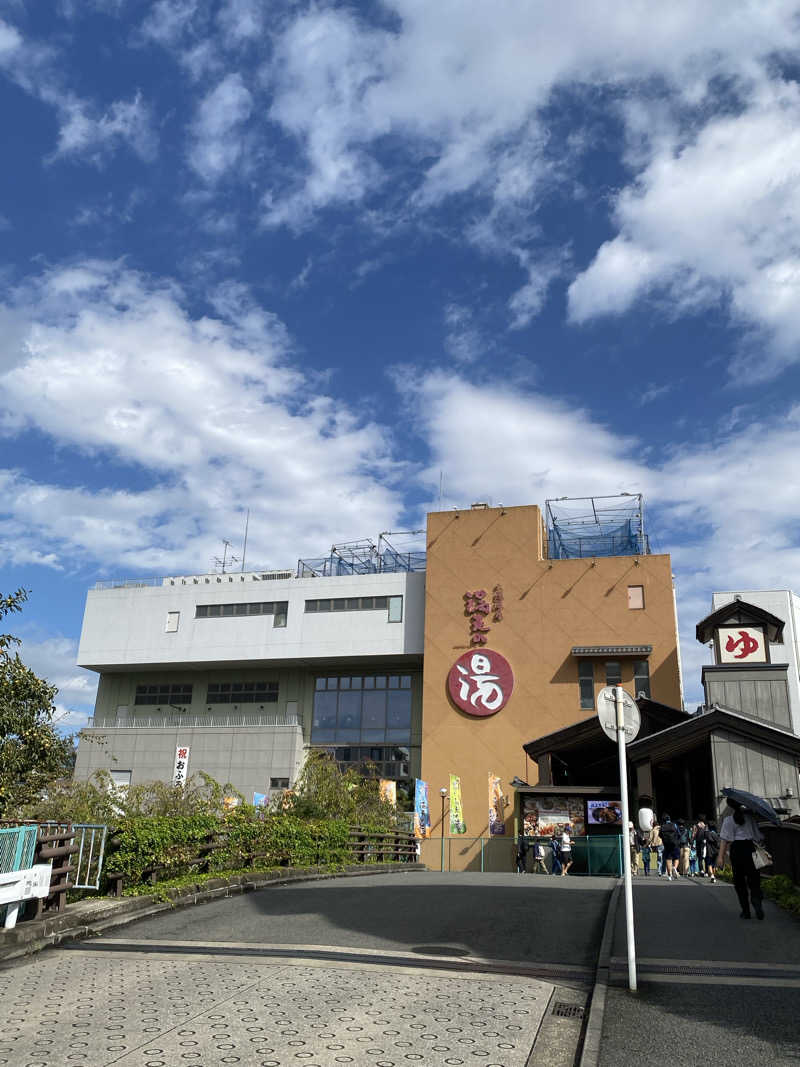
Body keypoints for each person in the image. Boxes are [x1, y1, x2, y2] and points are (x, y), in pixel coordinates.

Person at [718, 802, 765, 920]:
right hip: (750, 847)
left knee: (739, 882)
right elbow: (758, 837)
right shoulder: (749, 818)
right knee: (754, 877)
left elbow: (724, 840)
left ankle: (746, 911)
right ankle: (756, 899)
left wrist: (721, 857)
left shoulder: (729, 820)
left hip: (737, 850)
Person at [660, 813, 680, 880]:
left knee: (668, 859)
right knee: (676, 858)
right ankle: (674, 867)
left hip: (666, 845)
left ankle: (669, 876)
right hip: (675, 844)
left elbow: (660, 835)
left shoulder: (662, 826)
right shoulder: (674, 825)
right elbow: (679, 834)